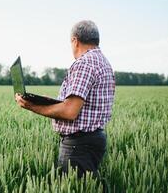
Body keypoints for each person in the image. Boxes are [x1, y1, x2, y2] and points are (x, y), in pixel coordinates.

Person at [15, 20, 115, 180]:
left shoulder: (85, 63)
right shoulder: (103, 62)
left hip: (78, 144)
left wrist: (31, 106)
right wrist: (50, 101)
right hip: (92, 140)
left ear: (75, 40)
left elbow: (69, 112)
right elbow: (82, 104)